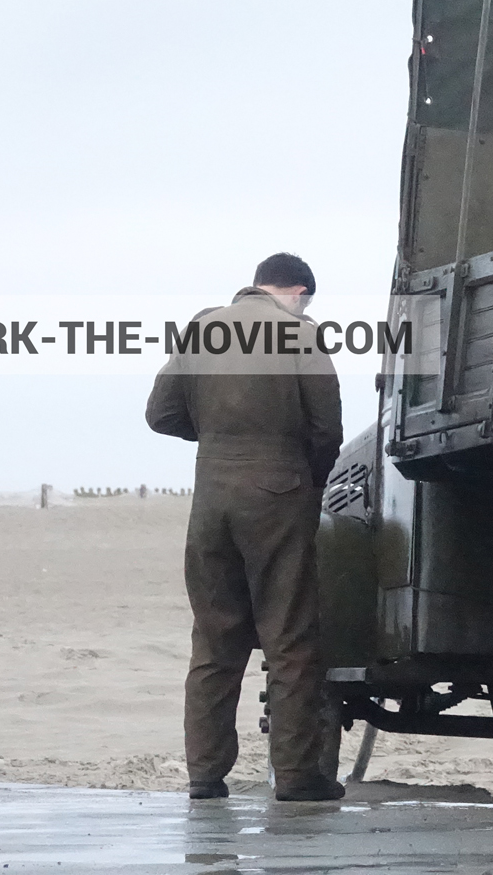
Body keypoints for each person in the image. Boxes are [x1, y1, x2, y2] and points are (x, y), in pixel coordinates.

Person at [146, 253, 344, 801]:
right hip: (280, 490)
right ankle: (298, 776)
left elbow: (160, 415)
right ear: (300, 291)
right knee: (290, 638)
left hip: (210, 493)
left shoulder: (202, 327)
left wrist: (217, 438)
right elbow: (327, 427)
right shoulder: (300, 334)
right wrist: (309, 478)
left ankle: (205, 775)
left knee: (214, 639)